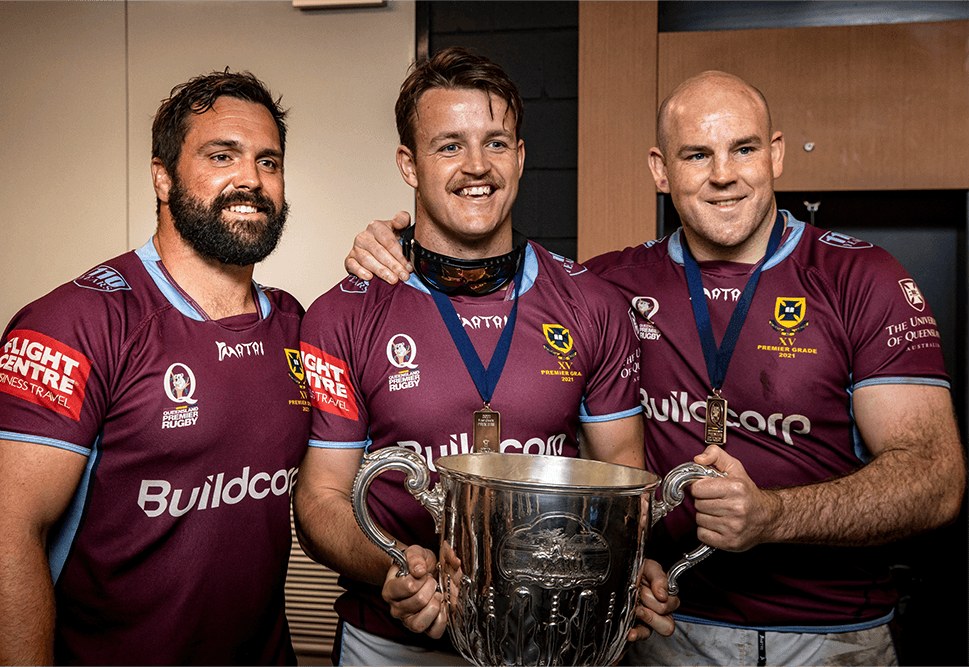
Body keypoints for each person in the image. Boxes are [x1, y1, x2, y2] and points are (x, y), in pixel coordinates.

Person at [345, 69, 966, 667]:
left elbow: (935, 480)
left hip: (833, 633)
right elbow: (485, 270)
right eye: (696, 155)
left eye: (743, 149)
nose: (723, 176)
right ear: (660, 170)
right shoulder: (607, 285)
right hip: (665, 625)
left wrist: (775, 516)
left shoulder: (863, 280)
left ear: (775, 153)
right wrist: (394, 244)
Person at [293, 47, 677, 667]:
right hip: (391, 644)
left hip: (555, 641)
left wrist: (626, 569)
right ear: (408, 165)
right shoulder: (342, 314)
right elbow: (320, 499)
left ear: (521, 158)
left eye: (496, 143)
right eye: (448, 146)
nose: (477, 166)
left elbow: (623, 476)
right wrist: (397, 567)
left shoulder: (593, 304)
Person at [0, 70, 312, 665]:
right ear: (161, 175)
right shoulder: (74, 322)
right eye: (221, 155)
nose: (250, 180)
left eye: (269, 162)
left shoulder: (295, 324)